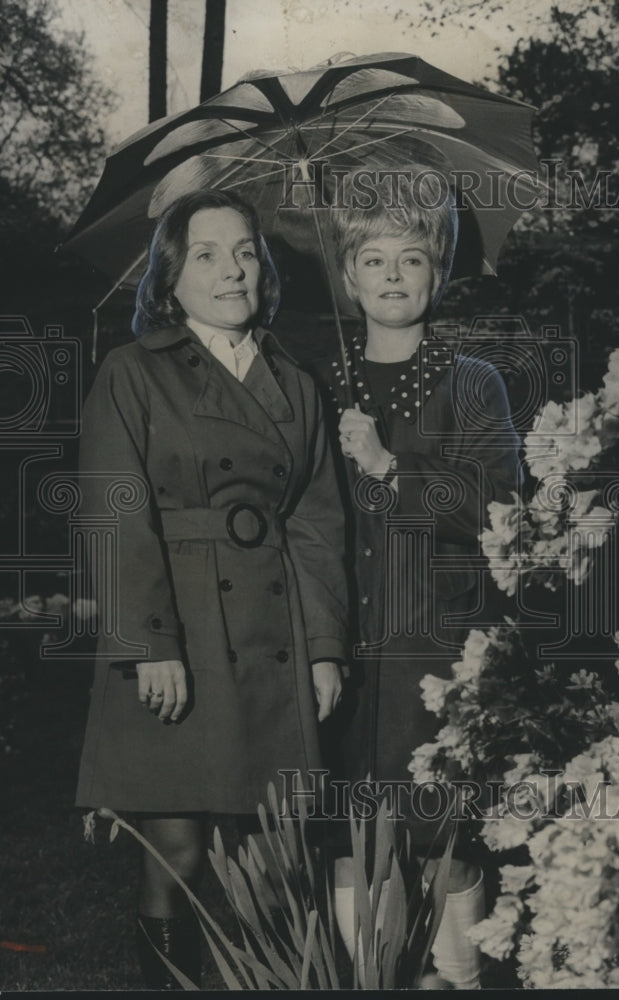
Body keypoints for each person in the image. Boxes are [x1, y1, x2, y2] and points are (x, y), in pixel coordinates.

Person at [74, 189, 347, 989]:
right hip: (177, 627)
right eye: (206, 254)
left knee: (275, 852)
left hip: (272, 630)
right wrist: (148, 643)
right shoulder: (133, 373)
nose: (233, 270)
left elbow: (316, 523)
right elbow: (113, 512)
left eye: (246, 252)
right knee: (178, 851)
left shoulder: (296, 382)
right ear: (168, 279)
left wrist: (324, 647)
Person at [325, 168, 521, 989]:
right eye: (373, 259)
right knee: (352, 843)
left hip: (436, 648)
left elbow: (498, 507)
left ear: (437, 272)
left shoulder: (472, 381)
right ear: (347, 274)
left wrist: (388, 465)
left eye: (411, 258)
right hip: (343, 648)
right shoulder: (322, 384)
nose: (392, 276)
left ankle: (460, 980)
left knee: (441, 839)